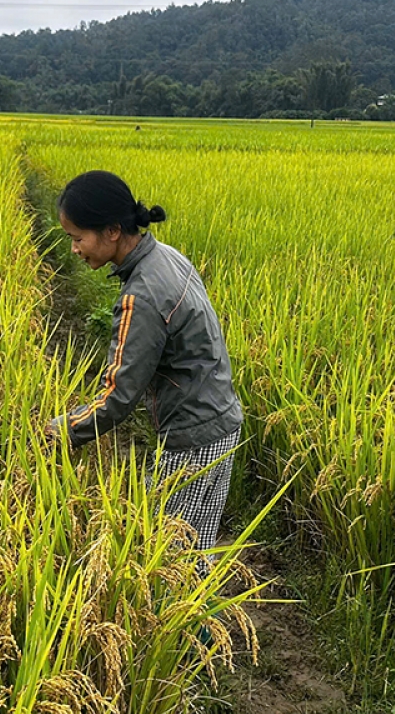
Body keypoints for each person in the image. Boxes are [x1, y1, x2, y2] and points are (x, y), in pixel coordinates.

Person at [44, 170, 245, 571]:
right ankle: (201, 629)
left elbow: (117, 397)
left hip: (193, 437)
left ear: (113, 230)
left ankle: (190, 633)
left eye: (77, 237)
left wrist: (60, 430)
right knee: (193, 550)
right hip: (220, 422)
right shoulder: (166, 256)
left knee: (164, 558)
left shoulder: (143, 295)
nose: (73, 249)